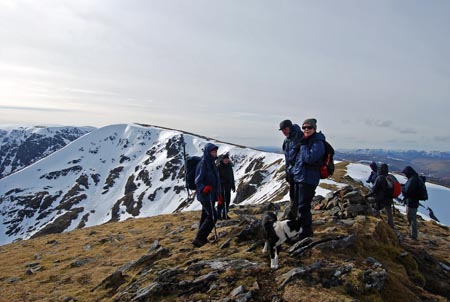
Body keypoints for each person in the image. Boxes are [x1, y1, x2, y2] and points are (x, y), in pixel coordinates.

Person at [292, 118, 325, 239]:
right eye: (304, 127)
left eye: (309, 127)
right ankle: (302, 229)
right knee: (300, 206)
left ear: (314, 129)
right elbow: (298, 160)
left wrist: (303, 145)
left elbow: (309, 159)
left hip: (309, 180)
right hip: (300, 178)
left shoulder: (318, 143)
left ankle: (305, 232)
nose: (306, 129)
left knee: (303, 207)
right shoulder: (306, 141)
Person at [192, 143, 222, 247]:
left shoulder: (212, 164)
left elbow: (217, 180)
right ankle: (199, 238)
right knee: (213, 216)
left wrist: (219, 195)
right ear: (208, 152)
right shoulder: (203, 164)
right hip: (205, 195)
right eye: (213, 151)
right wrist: (203, 188)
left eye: (215, 151)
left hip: (211, 195)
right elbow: (197, 180)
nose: (215, 153)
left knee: (205, 216)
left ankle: (201, 238)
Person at [279, 119, 303, 220]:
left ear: (290, 127)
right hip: (291, 172)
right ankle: (294, 217)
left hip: (299, 172)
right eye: (282, 130)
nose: (284, 131)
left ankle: (298, 218)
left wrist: (296, 170)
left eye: (285, 129)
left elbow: (301, 156)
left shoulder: (299, 137)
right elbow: (287, 158)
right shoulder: (287, 141)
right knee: (292, 194)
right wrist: (287, 172)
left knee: (299, 196)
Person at [365, 163, 394, 228]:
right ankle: (391, 225)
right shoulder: (389, 177)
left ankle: (377, 223)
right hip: (389, 198)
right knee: (389, 212)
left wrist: (366, 196)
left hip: (380, 198)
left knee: (374, 207)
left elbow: (374, 189)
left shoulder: (380, 177)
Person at [401, 166, 421, 240]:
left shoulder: (412, 180)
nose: (405, 175)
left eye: (405, 173)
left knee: (412, 218)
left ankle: (414, 236)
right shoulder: (414, 178)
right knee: (411, 217)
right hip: (413, 201)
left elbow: (408, 191)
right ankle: (412, 234)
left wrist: (403, 189)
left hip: (411, 202)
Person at [217, 153, 235, 220]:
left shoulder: (229, 167)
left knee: (227, 201)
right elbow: (217, 177)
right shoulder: (219, 167)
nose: (226, 160)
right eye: (225, 159)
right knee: (221, 202)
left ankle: (225, 214)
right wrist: (222, 181)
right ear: (223, 160)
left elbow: (232, 177)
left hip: (228, 187)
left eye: (227, 159)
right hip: (221, 187)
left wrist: (233, 185)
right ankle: (218, 215)